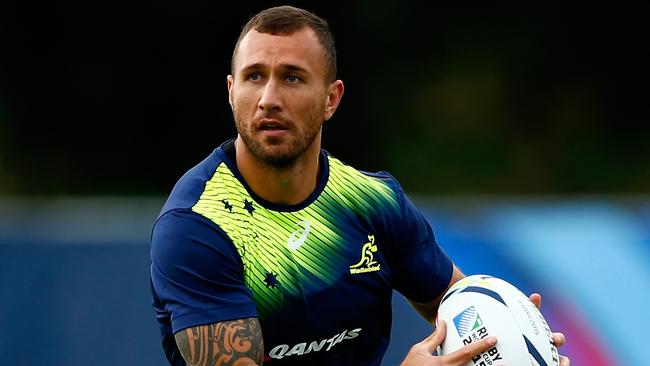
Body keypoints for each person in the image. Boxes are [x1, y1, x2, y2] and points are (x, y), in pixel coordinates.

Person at [150, 5, 569, 366]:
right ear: (231, 90)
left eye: (292, 78)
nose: (269, 99)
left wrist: (513, 335)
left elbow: (453, 304)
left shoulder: (374, 202)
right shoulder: (197, 226)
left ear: (332, 99)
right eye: (254, 77)